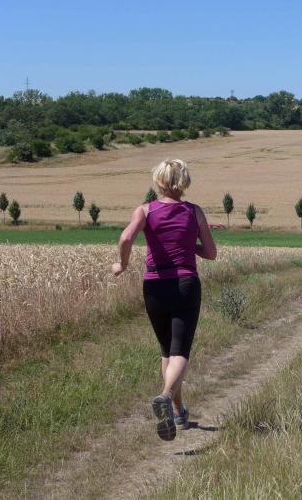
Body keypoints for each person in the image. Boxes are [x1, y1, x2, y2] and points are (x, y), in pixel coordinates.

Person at [112, 159, 217, 441]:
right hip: (185, 284)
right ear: (184, 182)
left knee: (166, 351)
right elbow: (211, 253)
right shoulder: (194, 212)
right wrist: (188, 245)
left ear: (158, 181)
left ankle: (178, 411)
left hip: (154, 285)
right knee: (180, 350)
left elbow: (126, 238)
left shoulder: (145, 210)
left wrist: (122, 265)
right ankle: (167, 396)